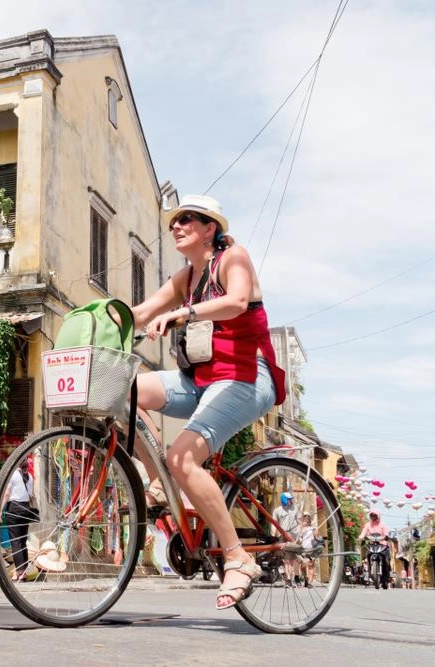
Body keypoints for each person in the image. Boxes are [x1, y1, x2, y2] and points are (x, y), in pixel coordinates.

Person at [131, 194, 287, 611]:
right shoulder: (186, 276)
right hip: (200, 380)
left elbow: (236, 302)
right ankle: (158, 486)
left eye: (186, 220)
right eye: (173, 222)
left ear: (209, 228)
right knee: (125, 393)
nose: (176, 227)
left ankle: (238, 558)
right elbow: (141, 312)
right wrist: (101, 318)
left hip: (245, 376)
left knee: (183, 456)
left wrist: (182, 315)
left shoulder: (233, 258)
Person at [2, 458, 35, 581]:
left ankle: (19, 572)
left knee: (15, 542)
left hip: (14, 508)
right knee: (22, 541)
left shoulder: (13, 475)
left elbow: (6, 494)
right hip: (25, 508)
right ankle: (24, 572)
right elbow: (31, 495)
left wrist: (0, 510)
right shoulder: (30, 476)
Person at [273, 492, 302, 586]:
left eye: (291, 499)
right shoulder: (277, 510)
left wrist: (300, 534)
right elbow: (275, 524)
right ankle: (288, 579)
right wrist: (273, 535)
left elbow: (299, 522)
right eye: (289, 499)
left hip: (293, 535)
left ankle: (297, 577)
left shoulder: (295, 509)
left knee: (296, 558)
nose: (291, 500)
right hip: (283, 535)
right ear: (284, 500)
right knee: (286, 559)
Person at [358, 510, 390, 590]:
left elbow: (386, 534)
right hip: (372, 544)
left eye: (375, 515)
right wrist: (361, 537)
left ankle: (385, 578)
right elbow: (363, 533)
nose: (373, 517)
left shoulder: (382, 525)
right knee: (368, 555)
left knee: (386, 560)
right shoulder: (368, 525)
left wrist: (386, 537)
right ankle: (370, 570)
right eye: (371, 515)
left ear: (378, 516)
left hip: (382, 545)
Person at [298, 512, 316, 587]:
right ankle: (306, 579)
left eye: (308, 521)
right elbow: (299, 540)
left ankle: (310, 582)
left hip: (312, 549)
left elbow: (316, 538)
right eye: (305, 521)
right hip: (303, 549)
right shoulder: (301, 530)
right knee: (303, 566)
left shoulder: (313, 529)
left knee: (311, 565)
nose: (306, 522)